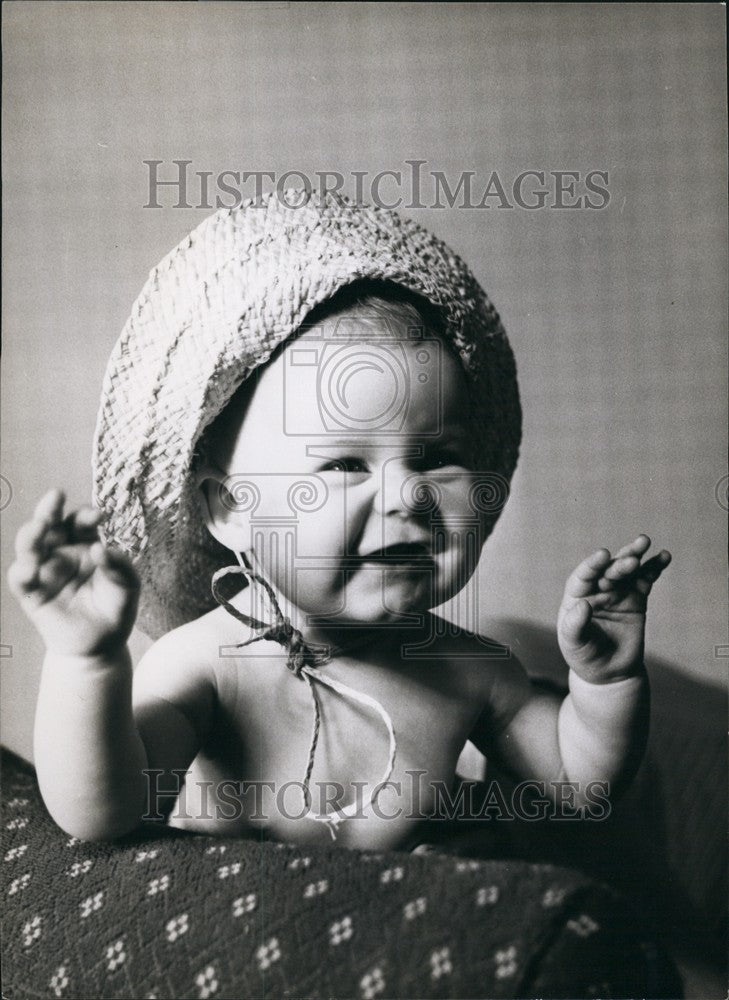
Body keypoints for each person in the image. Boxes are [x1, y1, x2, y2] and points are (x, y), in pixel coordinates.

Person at [7, 193, 671, 850]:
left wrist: (604, 681)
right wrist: (86, 659)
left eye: (437, 459)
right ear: (229, 508)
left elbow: (576, 791)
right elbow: (104, 812)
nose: (407, 496)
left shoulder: (469, 670)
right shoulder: (206, 666)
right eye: (346, 465)